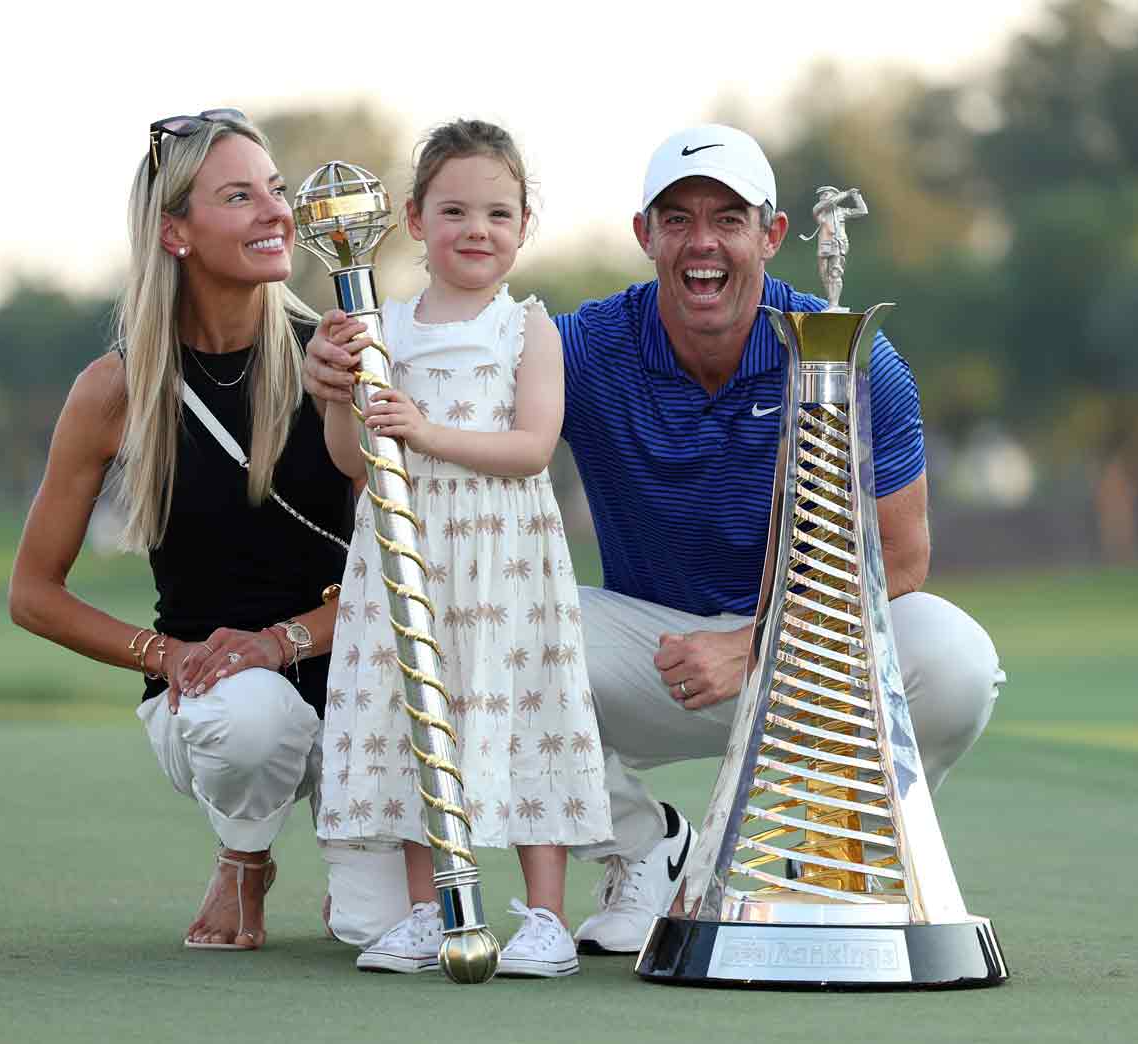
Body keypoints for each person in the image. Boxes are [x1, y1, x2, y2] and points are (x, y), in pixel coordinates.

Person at [304, 123, 1003, 957]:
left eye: (728, 219)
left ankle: (833, 851)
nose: (701, 243)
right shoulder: (583, 344)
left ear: (771, 236)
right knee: (487, 635)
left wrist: (753, 645)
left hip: (801, 650)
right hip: (646, 643)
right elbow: (453, 403)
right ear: (645, 235)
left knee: (953, 657)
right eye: (676, 219)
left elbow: (904, 561)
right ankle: (649, 847)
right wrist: (347, 380)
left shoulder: (852, 357)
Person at [8, 108, 407, 952]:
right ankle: (245, 853)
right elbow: (33, 594)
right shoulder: (114, 389)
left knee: (375, 929)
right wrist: (167, 656)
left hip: (363, 689)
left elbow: (411, 569)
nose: (274, 213)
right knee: (245, 718)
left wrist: (285, 640)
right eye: (238, 197)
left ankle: (354, 843)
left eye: (274, 190)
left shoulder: (334, 354)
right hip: (218, 700)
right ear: (175, 232)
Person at [313, 119, 611, 979]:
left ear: (524, 227)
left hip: (504, 557)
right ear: (413, 220)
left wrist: (427, 432)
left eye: (497, 212)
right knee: (421, 718)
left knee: (523, 713)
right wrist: (342, 391)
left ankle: (546, 920)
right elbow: (354, 463)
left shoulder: (528, 330)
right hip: (412, 554)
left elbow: (531, 448)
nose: (476, 229)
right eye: (454, 210)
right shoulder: (382, 328)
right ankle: (431, 908)